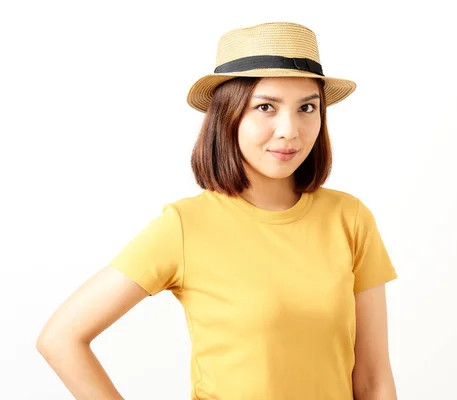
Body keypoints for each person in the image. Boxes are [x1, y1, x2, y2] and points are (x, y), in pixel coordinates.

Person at [36, 21, 398, 399]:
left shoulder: (349, 218)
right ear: (229, 114)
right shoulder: (184, 226)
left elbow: (373, 378)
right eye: (265, 107)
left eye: (307, 107)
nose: (290, 129)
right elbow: (61, 338)